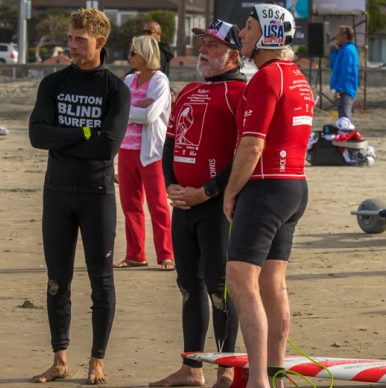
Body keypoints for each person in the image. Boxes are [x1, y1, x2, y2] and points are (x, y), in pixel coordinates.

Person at [28, 7, 130, 385]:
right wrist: (85, 133)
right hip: (57, 193)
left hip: (97, 194)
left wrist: (66, 138)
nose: (71, 45)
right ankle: (59, 359)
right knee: (58, 280)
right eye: (70, 38)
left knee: (101, 281)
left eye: (79, 40)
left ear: (100, 42)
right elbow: (37, 136)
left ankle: (97, 360)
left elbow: (107, 148)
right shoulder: (53, 84)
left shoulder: (115, 90)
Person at [149, 18, 246, 388]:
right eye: (202, 43)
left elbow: (243, 155)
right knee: (188, 286)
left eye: (213, 45)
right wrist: (172, 185)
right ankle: (192, 368)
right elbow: (169, 144)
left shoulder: (242, 94)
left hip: (217, 207)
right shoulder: (189, 91)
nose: (203, 50)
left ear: (234, 55)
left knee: (219, 288)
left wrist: (204, 191)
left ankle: (225, 368)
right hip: (183, 207)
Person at [223, 4, 314, 387]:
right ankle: (276, 376)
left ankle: (258, 380)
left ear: (270, 33)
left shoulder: (266, 78)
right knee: (272, 284)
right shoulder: (298, 77)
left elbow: (252, 145)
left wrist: (230, 192)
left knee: (240, 280)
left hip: (266, 186)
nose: (241, 33)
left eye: (248, 27)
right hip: (294, 186)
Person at [113, 35, 175, 271]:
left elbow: (149, 117)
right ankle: (135, 254)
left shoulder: (160, 80)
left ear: (145, 54)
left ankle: (166, 254)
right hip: (126, 150)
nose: (129, 57)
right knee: (130, 205)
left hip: (151, 152)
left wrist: (129, 108)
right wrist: (136, 106)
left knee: (157, 204)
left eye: (133, 53)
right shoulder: (129, 79)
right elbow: (116, 110)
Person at [329, 25, 359, 121]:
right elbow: (333, 65)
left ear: (345, 36)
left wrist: (339, 89)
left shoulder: (348, 50)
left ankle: (348, 134)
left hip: (345, 88)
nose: (336, 37)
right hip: (342, 88)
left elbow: (346, 71)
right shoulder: (343, 50)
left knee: (345, 117)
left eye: (338, 34)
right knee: (342, 116)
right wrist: (335, 51)